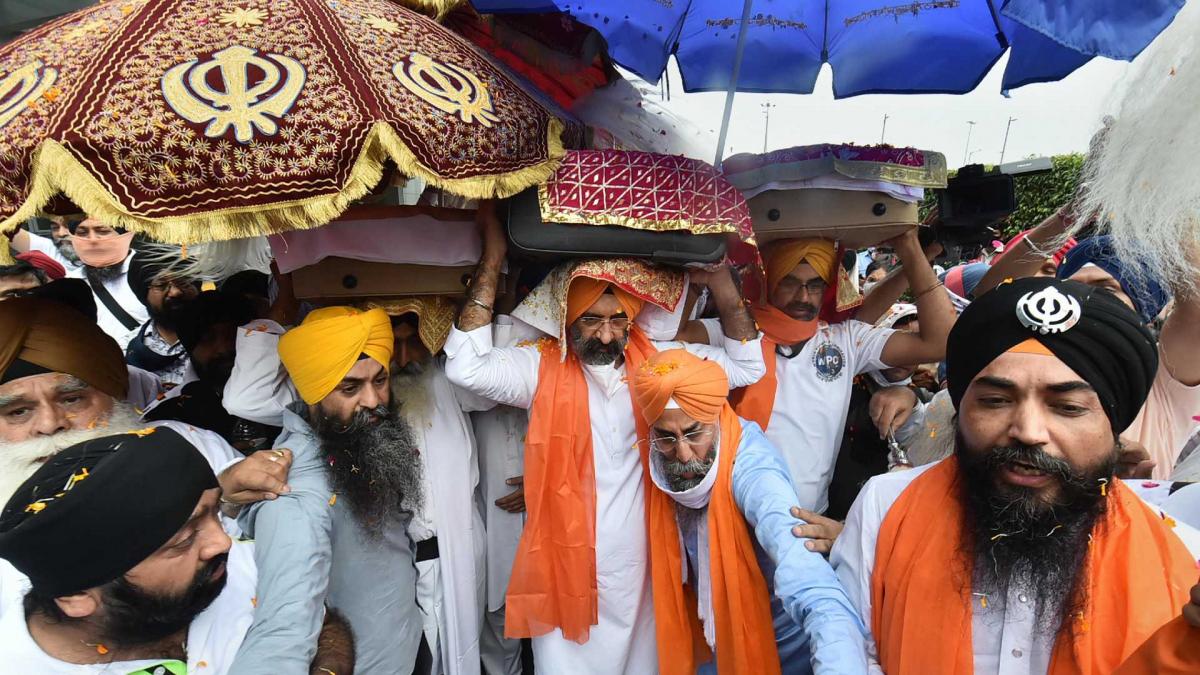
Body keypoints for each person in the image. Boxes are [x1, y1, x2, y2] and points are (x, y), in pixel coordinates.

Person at [444, 210, 765, 674]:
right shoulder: (538, 366)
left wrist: (721, 283)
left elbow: (749, 366)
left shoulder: (661, 366)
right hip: (565, 570)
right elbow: (464, 368)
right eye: (591, 320)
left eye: (618, 320)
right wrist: (493, 261)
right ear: (567, 316)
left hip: (644, 569)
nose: (606, 334)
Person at [832, 277, 1200, 674]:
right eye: (995, 401)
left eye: (1068, 407)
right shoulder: (886, 508)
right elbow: (846, 654)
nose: (1028, 431)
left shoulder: (1182, 557)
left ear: (1114, 426)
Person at [0, 429, 353, 674]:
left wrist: (329, 667)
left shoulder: (238, 565)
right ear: (76, 596)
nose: (222, 542)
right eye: (184, 540)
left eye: (214, 513)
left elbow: (321, 621)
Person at [696, 231, 954, 551]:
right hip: (731, 515)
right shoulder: (731, 332)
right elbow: (668, 335)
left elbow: (941, 341)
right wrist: (716, 284)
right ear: (765, 280)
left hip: (808, 524)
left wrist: (911, 248)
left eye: (815, 285)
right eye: (790, 282)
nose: (804, 296)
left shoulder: (845, 340)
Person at [630, 348, 868, 674]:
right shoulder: (655, 457)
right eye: (668, 438)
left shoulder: (752, 466)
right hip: (705, 640)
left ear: (717, 416)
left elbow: (808, 579)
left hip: (780, 644)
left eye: (694, 433)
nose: (683, 454)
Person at [234, 306, 426, 674]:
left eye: (380, 380)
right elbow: (283, 630)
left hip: (403, 647)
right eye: (350, 388)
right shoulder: (295, 495)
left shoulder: (354, 443)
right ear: (312, 393)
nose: (373, 401)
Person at [0, 290, 291, 511]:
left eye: (72, 399)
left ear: (113, 394)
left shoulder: (188, 446)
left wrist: (223, 497)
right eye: (18, 411)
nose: (50, 424)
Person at [980, 225, 1200, 479]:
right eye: (1071, 287)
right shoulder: (1024, 363)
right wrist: (1065, 219)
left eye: (1106, 290)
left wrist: (1158, 209)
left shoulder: (1164, 375)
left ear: (1143, 308)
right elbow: (988, 304)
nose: (1084, 298)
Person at [825, 304, 932, 520]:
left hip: (874, 516)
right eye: (899, 343)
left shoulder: (922, 399)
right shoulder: (840, 381)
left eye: (915, 346)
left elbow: (916, 446)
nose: (906, 356)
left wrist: (910, 401)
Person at [15, 219, 147, 347]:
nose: (92, 239)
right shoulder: (69, 285)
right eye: (82, 233)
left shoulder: (151, 272)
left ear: (125, 236)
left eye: (102, 231)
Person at [124, 252, 201, 389]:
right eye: (161, 285)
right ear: (144, 294)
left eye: (183, 281)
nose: (175, 292)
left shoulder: (225, 337)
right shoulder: (126, 348)